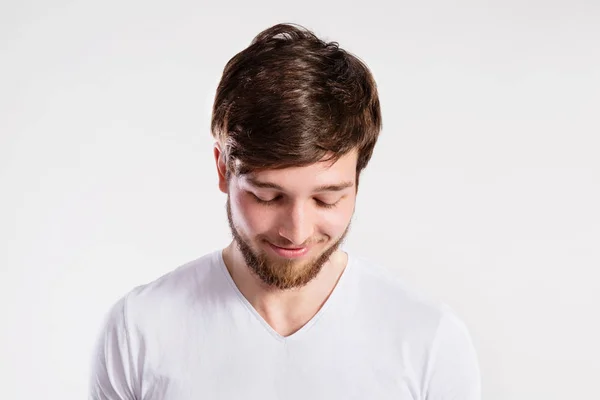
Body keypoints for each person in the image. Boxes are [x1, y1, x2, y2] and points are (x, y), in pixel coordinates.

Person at [89, 23, 481, 400]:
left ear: (358, 181)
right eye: (267, 196)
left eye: (327, 200)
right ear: (224, 169)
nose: (297, 231)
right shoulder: (139, 330)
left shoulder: (428, 340)